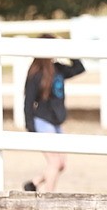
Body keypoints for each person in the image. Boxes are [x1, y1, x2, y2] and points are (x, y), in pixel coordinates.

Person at [22, 37, 85, 192]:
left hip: (56, 121)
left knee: (61, 164)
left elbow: (79, 68)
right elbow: (28, 101)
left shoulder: (58, 69)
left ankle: (34, 183)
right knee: (55, 162)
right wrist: (30, 125)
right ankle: (50, 196)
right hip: (43, 121)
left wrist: (67, 50)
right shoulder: (36, 74)